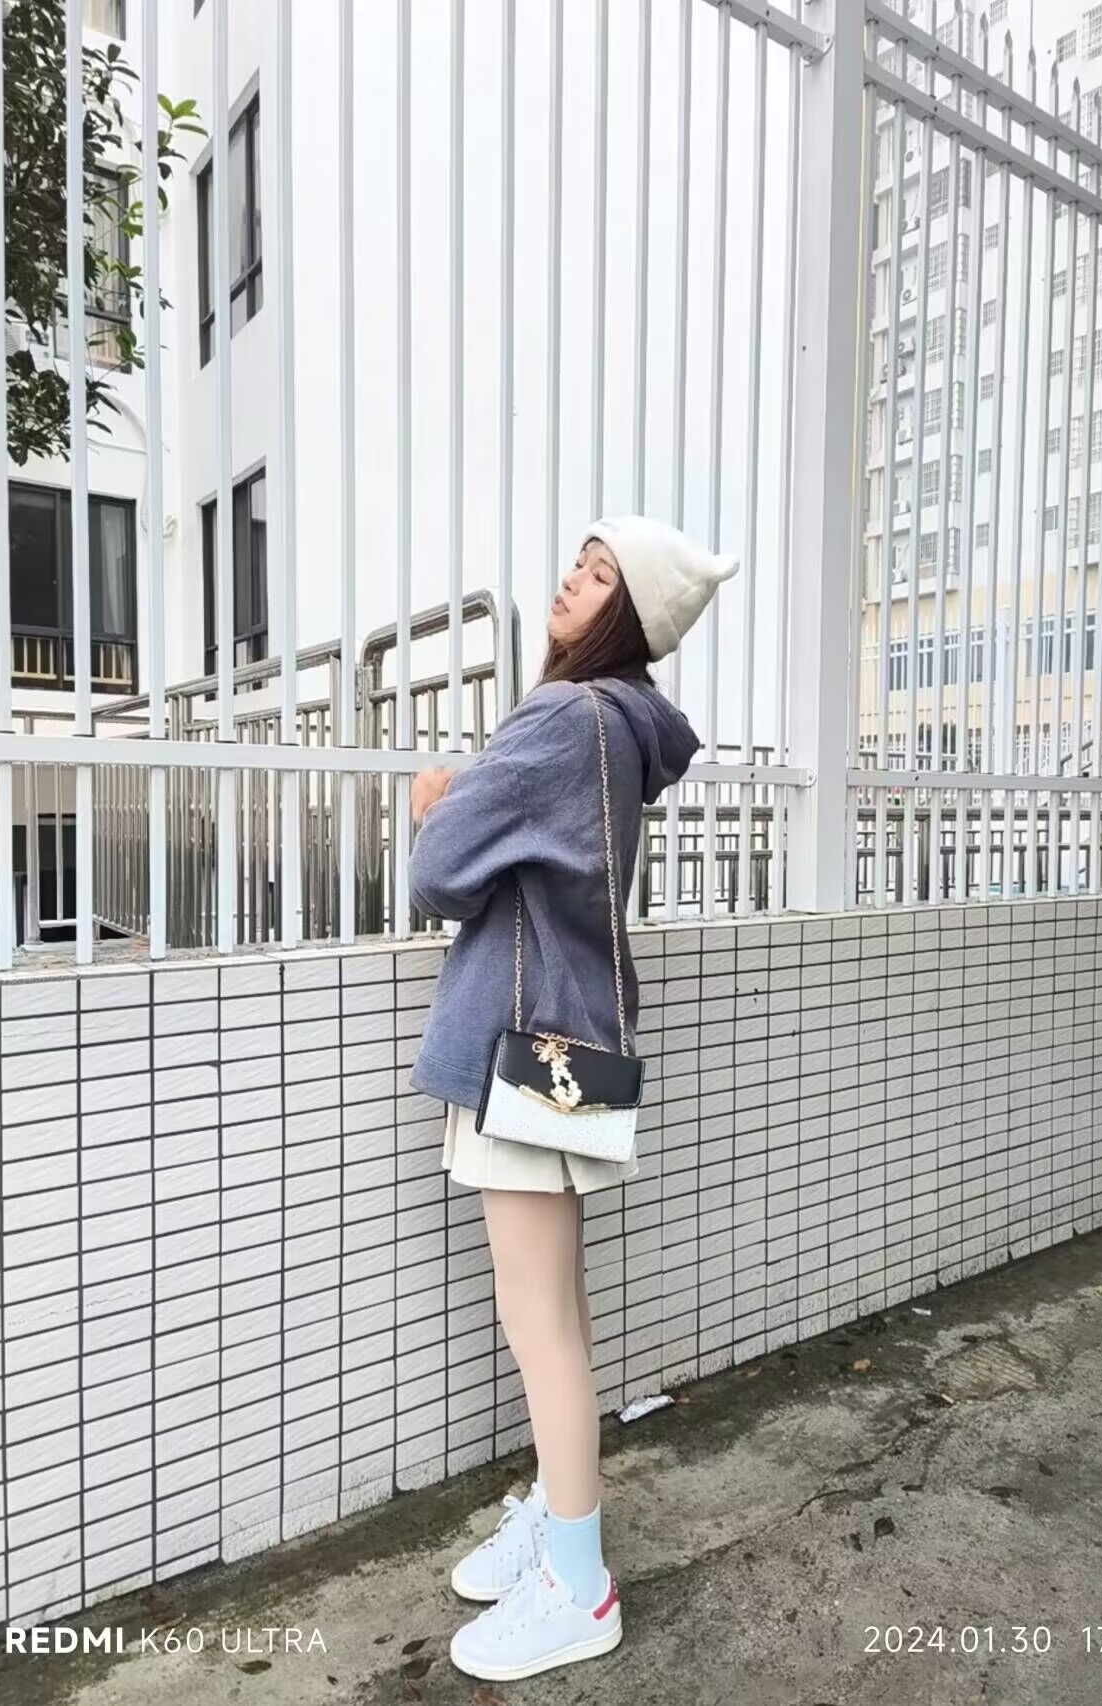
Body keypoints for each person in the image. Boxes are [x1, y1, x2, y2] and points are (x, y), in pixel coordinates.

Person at [406, 516, 738, 1683]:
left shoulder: (562, 716)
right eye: (579, 561)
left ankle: (578, 1582)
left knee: (539, 1320)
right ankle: (556, 1516)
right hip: (574, 1038)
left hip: (524, 1044)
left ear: (625, 617)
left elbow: (437, 873)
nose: (571, 580)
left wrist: (433, 800)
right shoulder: (625, 725)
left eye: (599, 577)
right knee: (561, 1311)